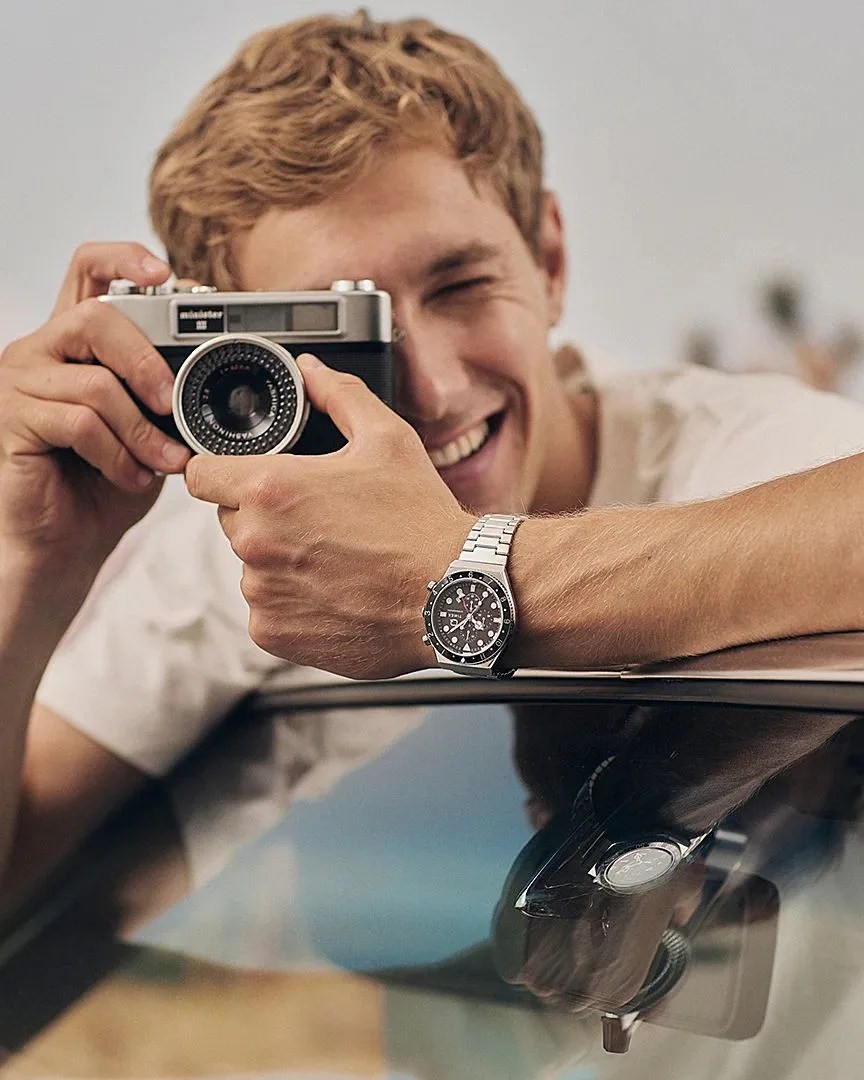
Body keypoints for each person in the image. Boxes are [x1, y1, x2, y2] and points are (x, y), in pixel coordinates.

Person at [3, 9, 864, 905]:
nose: (434, 388)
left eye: (461, 285)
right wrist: (35, 560)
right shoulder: (252, 559)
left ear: (552, 259)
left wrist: (460, 579)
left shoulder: (746, 462)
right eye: (341, 335)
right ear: (234, 353)